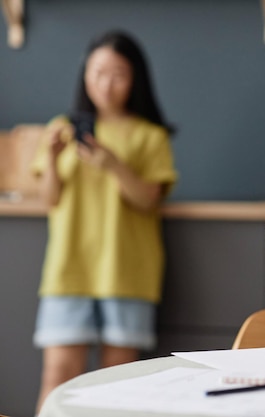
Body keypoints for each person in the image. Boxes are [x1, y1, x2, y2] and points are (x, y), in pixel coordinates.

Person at [31, 30, 177, 413]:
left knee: (118, 385)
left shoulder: (149, 135)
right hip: (68, 270)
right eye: (97, 73)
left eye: (118, 74)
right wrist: (49, 157)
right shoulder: (59, 129)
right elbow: (48, 199)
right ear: (85, 75)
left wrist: (112, 164)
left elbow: (149, 199)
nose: (106, 84)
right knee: (57, 377)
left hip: (126, 272)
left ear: (135, 78)